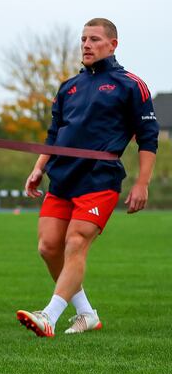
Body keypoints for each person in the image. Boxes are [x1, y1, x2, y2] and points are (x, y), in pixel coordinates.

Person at [17, 18, 158, 337]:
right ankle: (86, 314)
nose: (86, 45)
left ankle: (49, 316)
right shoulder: (69, 87)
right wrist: (39, 167)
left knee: (75, 241)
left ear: (112, 44)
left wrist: (142, 182)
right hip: (62, 178)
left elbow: (148, 137)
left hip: (99, 179)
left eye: (94, 39)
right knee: (48, 247)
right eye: (83, 39)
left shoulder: (130, 85)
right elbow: (54, 134)